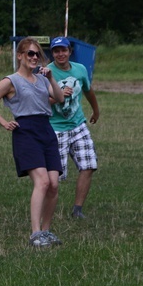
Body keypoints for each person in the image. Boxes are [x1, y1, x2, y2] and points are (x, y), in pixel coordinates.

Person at [0, 37, 65, 248]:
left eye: (37, 54)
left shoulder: (43, 79)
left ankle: (46, 231)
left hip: (46, 130)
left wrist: (52, 78)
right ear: (20, 56)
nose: (34, 57)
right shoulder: (10, 81)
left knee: (54, 184)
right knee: (43, 182)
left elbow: (60, 99)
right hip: (26, 132)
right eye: (30, 53)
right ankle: (35, 233)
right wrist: (4, 123)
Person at [48, 36, 100, 219]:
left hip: (78, 124)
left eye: (63, 50)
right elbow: (41, 102)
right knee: (54, 177)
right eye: (56, 51)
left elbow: (88, 90)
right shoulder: (46, 73)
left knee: (89, 165)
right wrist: (58, 95)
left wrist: (95, 110)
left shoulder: (80, 69)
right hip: (56, 128)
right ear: (52, 53)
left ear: (70, 51)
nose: (60, 54)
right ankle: (48, 210)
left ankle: (77, 209)